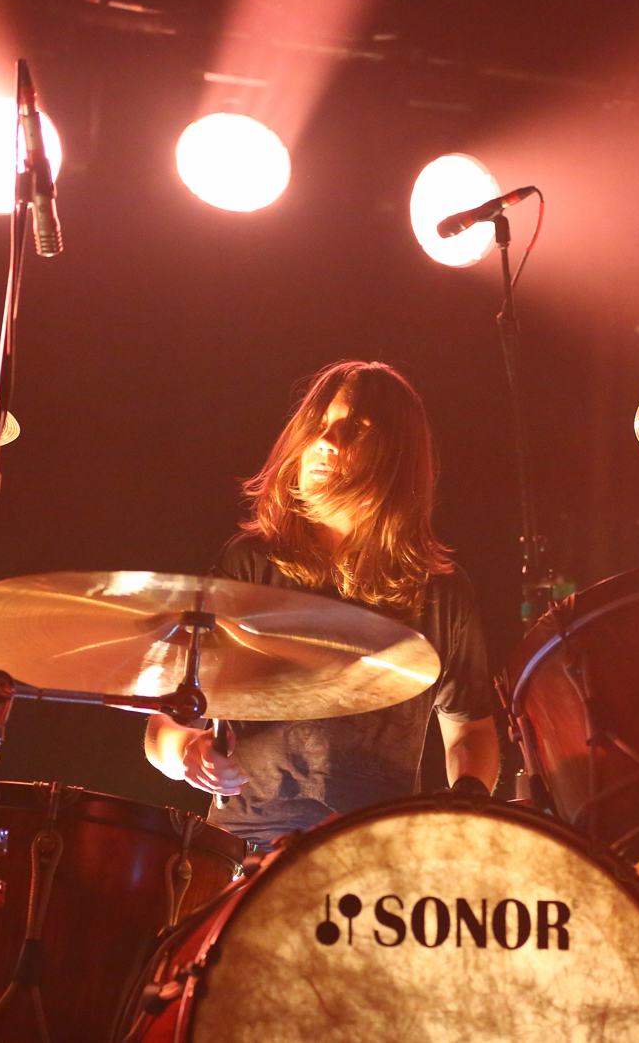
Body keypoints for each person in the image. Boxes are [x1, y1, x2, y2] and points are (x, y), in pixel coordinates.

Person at [144, 360, 500, 847]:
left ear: (396, 454)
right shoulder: (250, 563)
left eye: (354, 429)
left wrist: (468, 799)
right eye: (319, 425)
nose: (326, 442)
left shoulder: (441, 591)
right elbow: (163, 725)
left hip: (377, 849)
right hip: (249, 848)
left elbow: (471, 732)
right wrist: (187, 753)